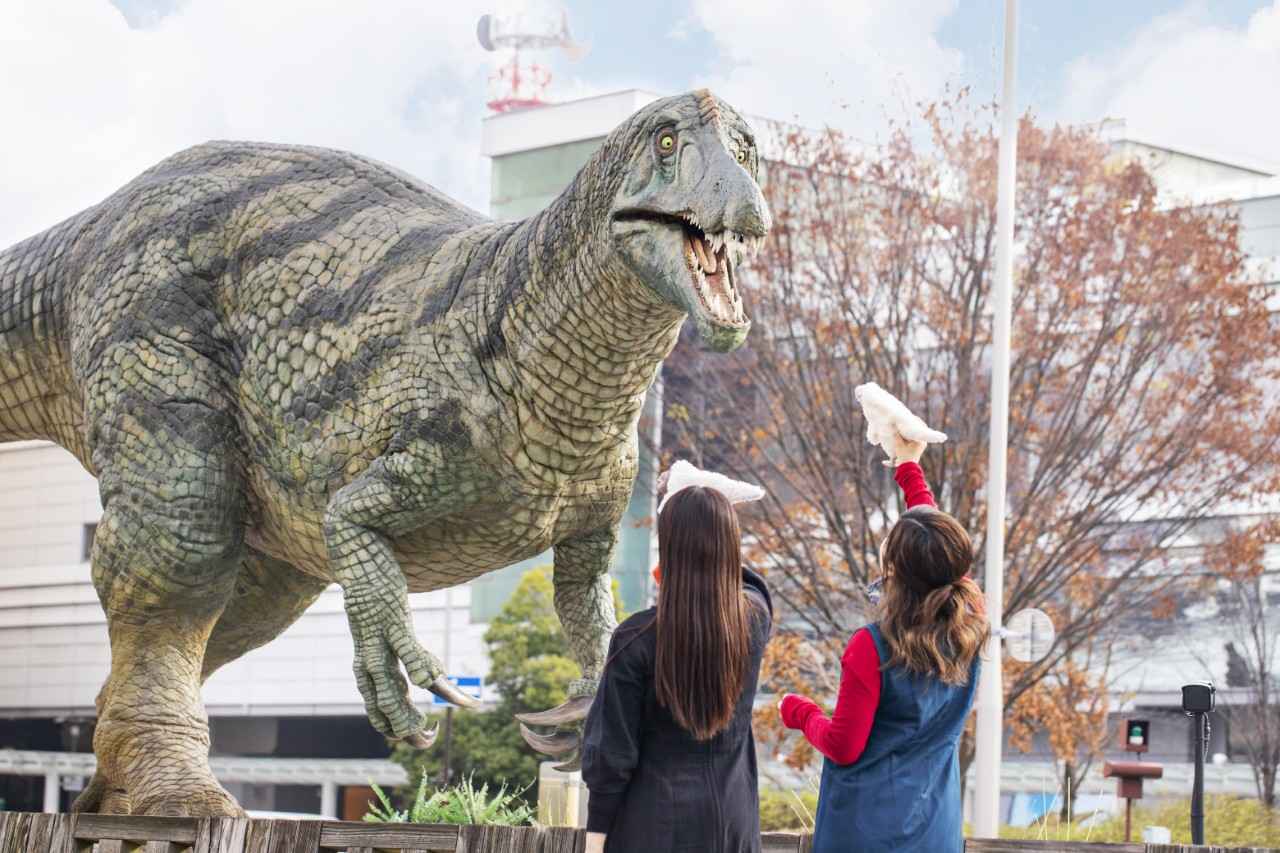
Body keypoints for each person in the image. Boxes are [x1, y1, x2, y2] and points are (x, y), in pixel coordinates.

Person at [778, 434, 988, 853]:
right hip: (935, 833)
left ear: (894, 570)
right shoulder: (970, 625)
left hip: (863, 833)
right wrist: (910, 471)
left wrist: (799, 712)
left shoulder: (872, 647)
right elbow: (941, 555)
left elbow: (843, 745)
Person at [582, 466, 773, 853]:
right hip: (731, 826)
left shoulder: (635, 639)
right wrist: (713, 510)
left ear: (668, 549)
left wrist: (594, 840)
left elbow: (611, 756)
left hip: (651, 827)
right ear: (730, 546)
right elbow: (752, 584)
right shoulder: (753, 622)